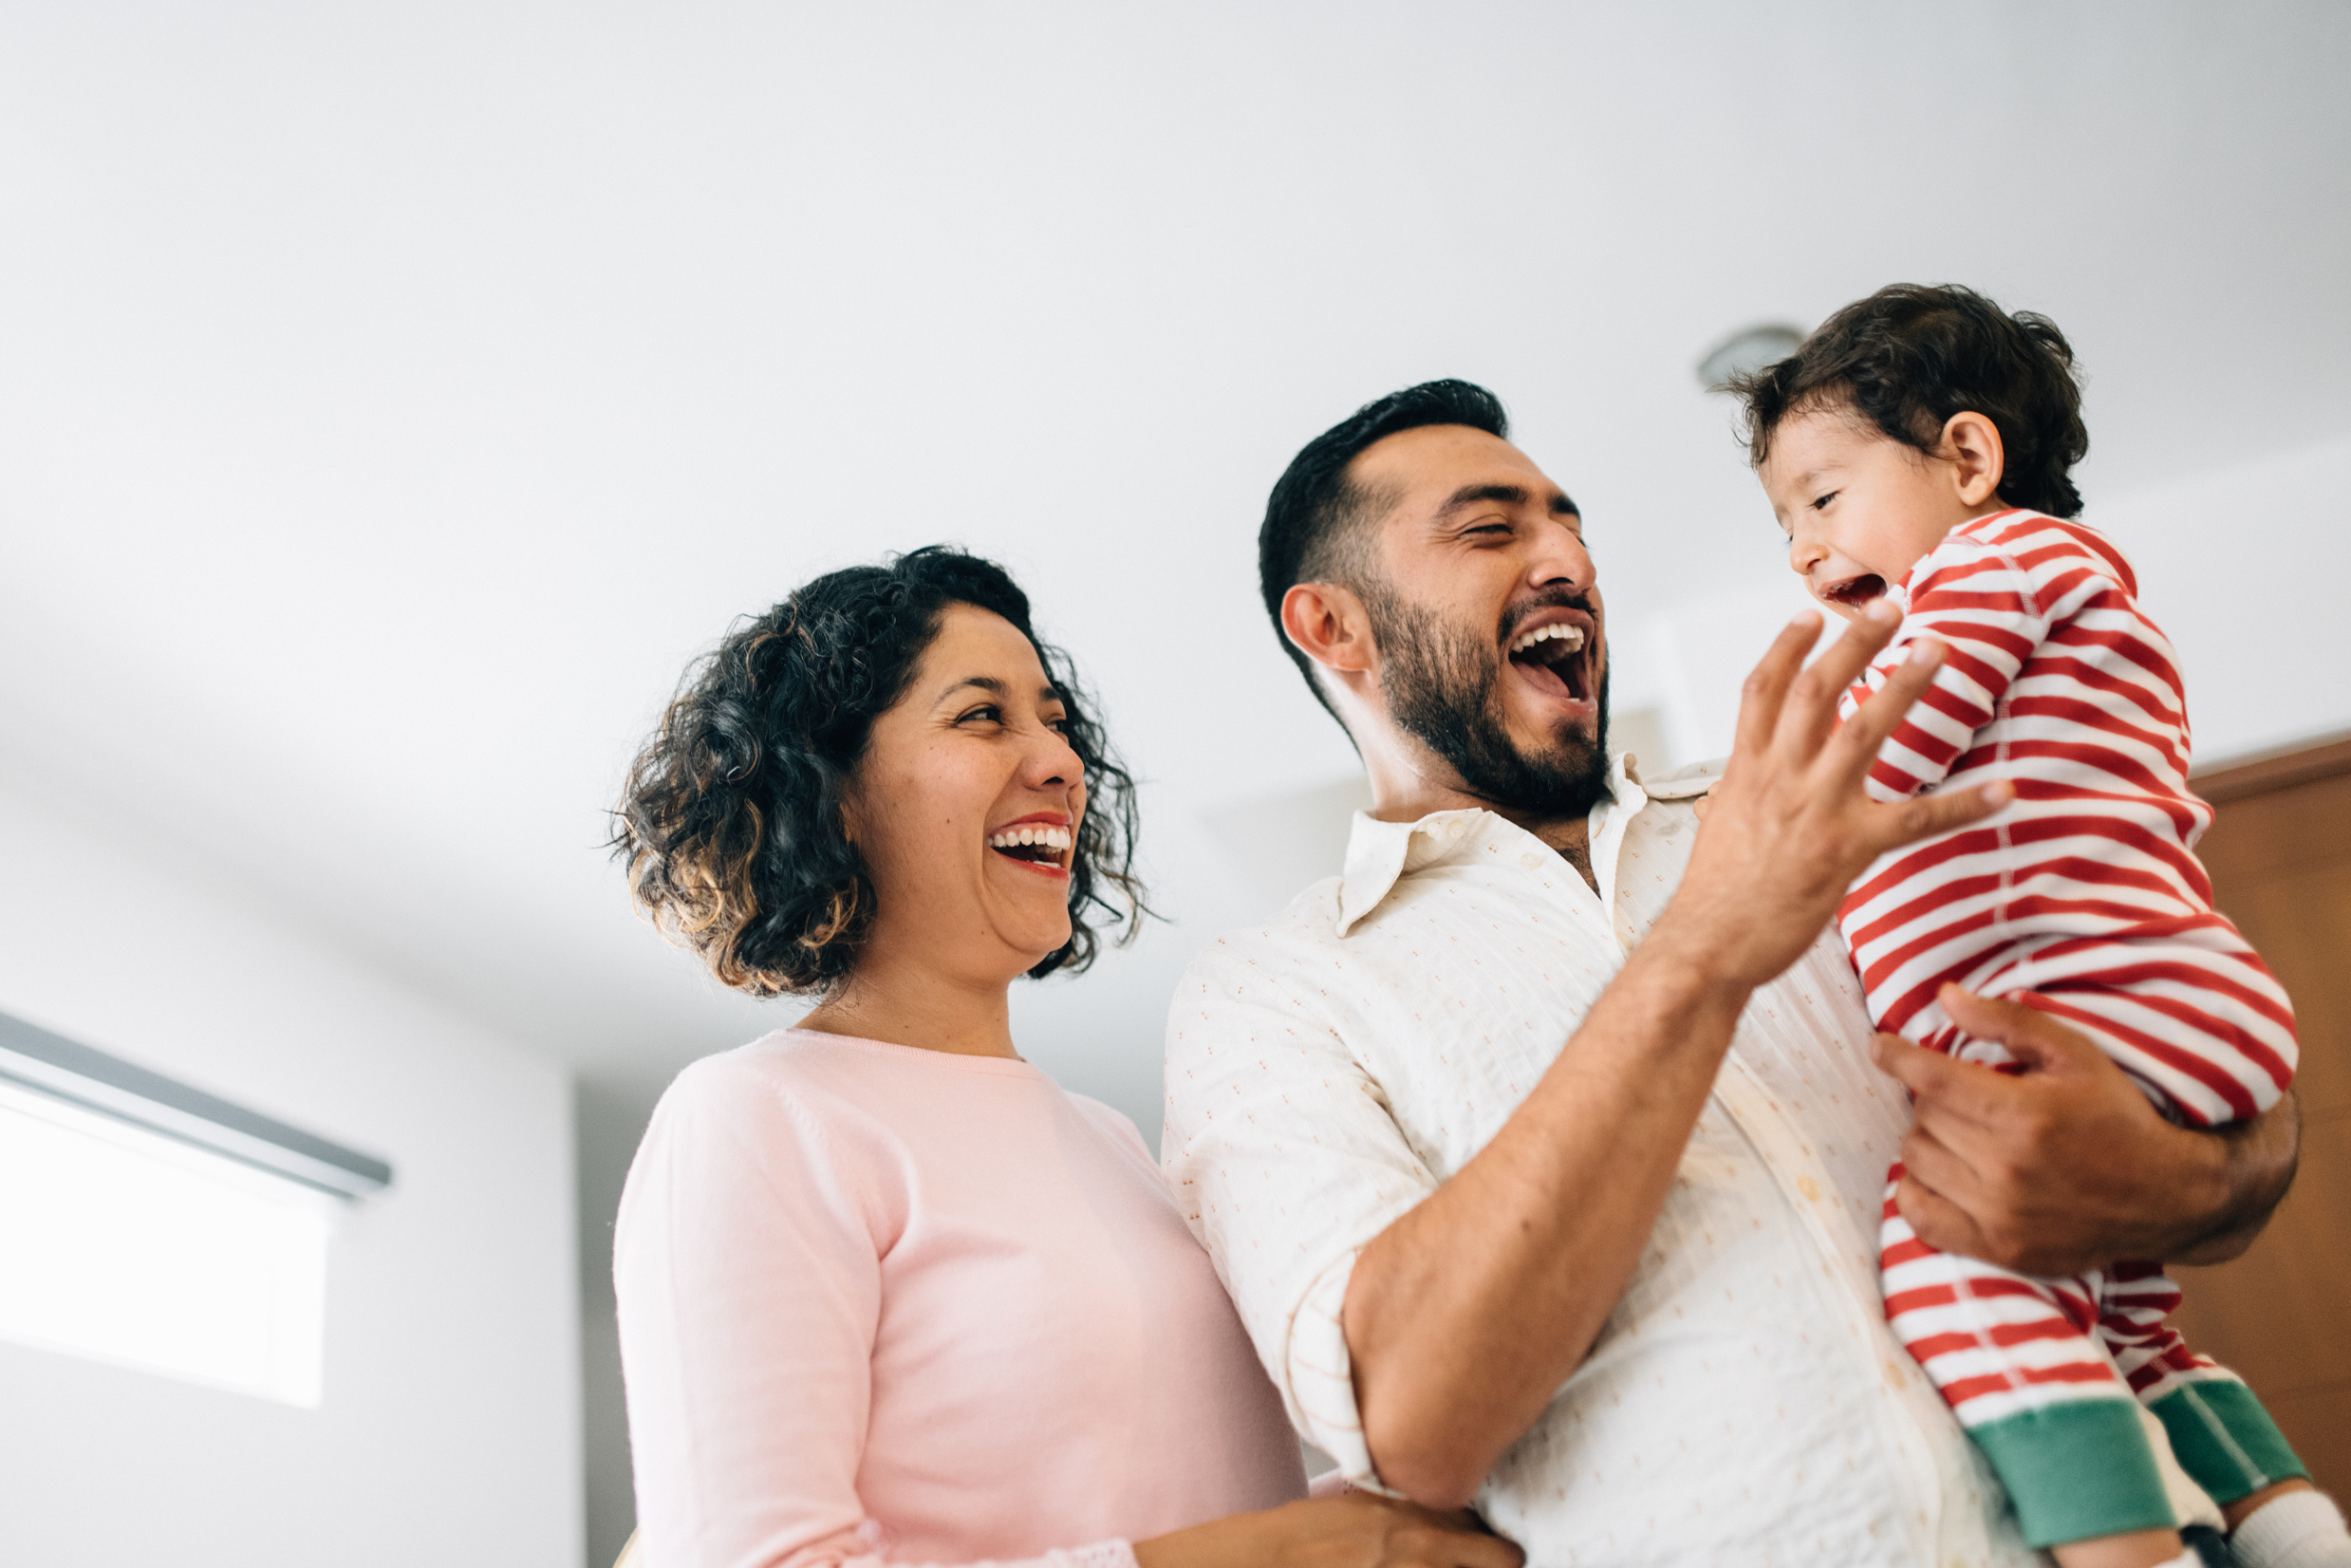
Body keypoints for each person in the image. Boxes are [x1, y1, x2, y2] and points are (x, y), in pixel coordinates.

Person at [1161, 383, 2304, 1566]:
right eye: (1492, 529)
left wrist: (2185, 1173)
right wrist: (1703, 947)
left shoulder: (1821, 788)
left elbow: (2200, 1056)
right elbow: (1413, 1424)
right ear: (1331, 627)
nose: (1567, 559)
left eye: (1570, 525)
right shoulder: (1269, 993)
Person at [609, 549, 1519, 1568]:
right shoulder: (757, 1116)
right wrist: (1281, 1551)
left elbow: (1177, 1497)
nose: (1058, 760)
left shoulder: (1111, 1138)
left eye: (1053, 720)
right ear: (831, 792)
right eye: (980, 715)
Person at [1736, 283, 2347, 1568]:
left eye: (1823, 498)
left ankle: (2125, 1552)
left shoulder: (1992, 563)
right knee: (2120, 1317)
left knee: (1951, 1262)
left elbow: (1891, 743)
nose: (1799, 547)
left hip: (2081, 997)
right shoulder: (2052, 594)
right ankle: (2280, 1520)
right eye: (1784, 521)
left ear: (1967, 458)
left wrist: (1794, 780)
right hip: (2159, 1000)